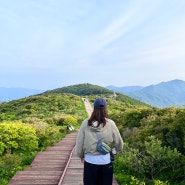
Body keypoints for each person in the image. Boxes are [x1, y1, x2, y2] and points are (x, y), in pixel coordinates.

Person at [75, 97, 124, 185]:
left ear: (94, 108)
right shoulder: (111, 123)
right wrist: (117, 150)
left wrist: (81, 155)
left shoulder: (86, 123)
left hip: (90, 161)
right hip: (105, 161)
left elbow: (79, 142)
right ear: (105, 109)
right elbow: (119, 142)